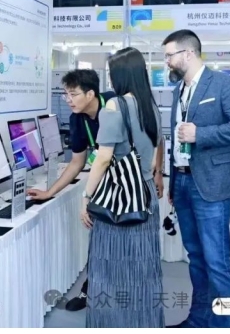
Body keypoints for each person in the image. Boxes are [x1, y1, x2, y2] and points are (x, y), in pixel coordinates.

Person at [28, 68, 164, 311]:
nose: (68, 100)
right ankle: (92, 289)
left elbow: (155, 136)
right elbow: (77, 162)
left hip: (133, 183)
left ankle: (132, 297)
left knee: (132, 243)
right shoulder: (77, 119)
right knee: (101, 244)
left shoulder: (116, 104)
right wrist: (50, 192)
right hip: (106, 185)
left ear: (90, 94)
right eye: (66, 95)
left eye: (73, 94)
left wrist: (157, 172)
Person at [162, 30, 230, 328]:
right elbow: (176, 139)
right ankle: (199, 320)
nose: (167, 61)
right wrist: (174, 183)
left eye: (170, 55)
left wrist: (200, 134)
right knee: (197, 259)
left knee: (217, 262)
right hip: (183, 182)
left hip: (212, 185)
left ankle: (223, 326)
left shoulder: (222, 84)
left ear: (188, 53)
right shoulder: (179, 90)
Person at [79, 47, 164, 328]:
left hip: (120, 197)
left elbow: (104, 158)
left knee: (111, 269)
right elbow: (157, 147)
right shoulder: (150, 106)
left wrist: (86, 196)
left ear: (119, 75)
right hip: (145, 195)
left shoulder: (114, 106)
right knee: (143, 269)